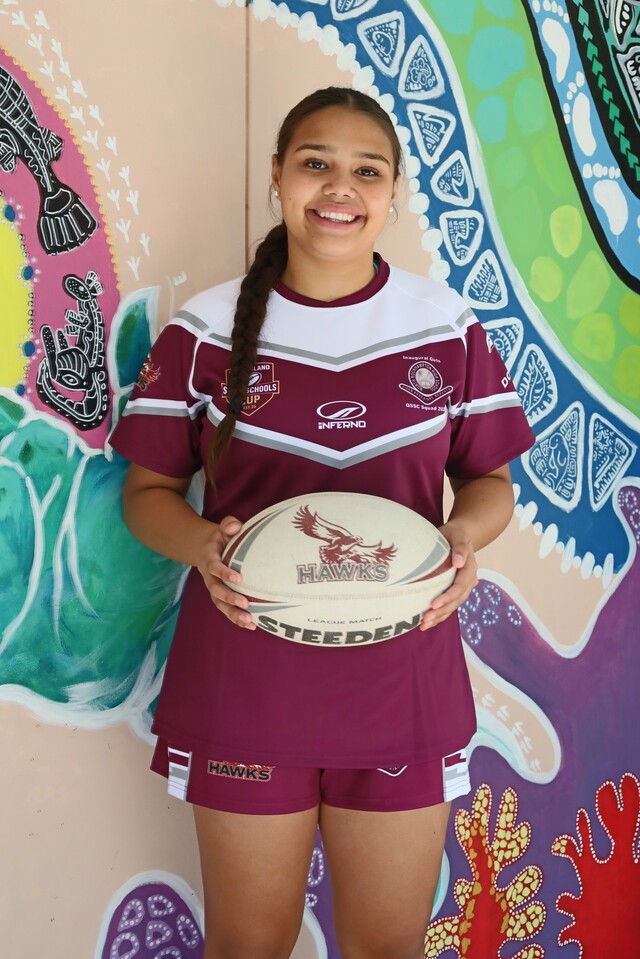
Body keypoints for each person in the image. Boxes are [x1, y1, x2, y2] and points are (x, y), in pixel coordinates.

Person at [110, 86, 535, 959]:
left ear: (393, 191)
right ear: (277, 176)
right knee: (248, 945)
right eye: (316, 163)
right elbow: (147, 493)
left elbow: (489, 480)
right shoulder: (205, 330)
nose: (340, 187)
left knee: (388, 947)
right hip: (246, 678)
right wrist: (204, 547)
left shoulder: (444, 325)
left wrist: (463, 537)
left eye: (366, 171)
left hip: (403, 677)